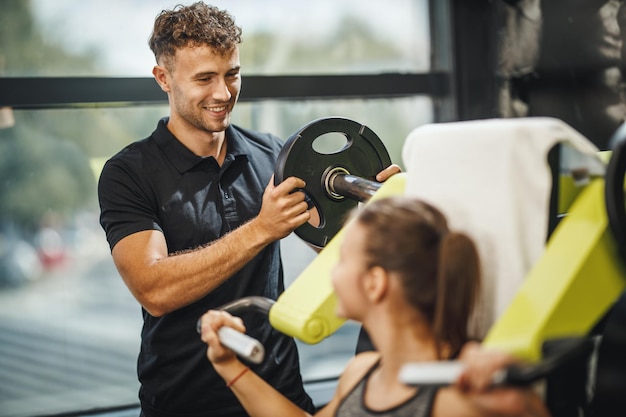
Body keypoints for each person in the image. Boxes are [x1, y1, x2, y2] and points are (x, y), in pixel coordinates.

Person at [97, 2, 400, 417]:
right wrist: (262, 228)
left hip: (280, 392)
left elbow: (333, 251)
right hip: (184, 401)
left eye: (232, 74)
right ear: (163, 79)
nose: (223, 93)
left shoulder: (274, 156)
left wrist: (368, 211)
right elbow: (154, 290)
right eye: (205, 78)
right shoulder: (128, 173)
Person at [199, 195, 551, 416]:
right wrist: (229, 366)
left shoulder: (459, 401)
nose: (331, 272)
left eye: (343, 259)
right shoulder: (361, 375)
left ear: (374, 283)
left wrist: (525, 409)